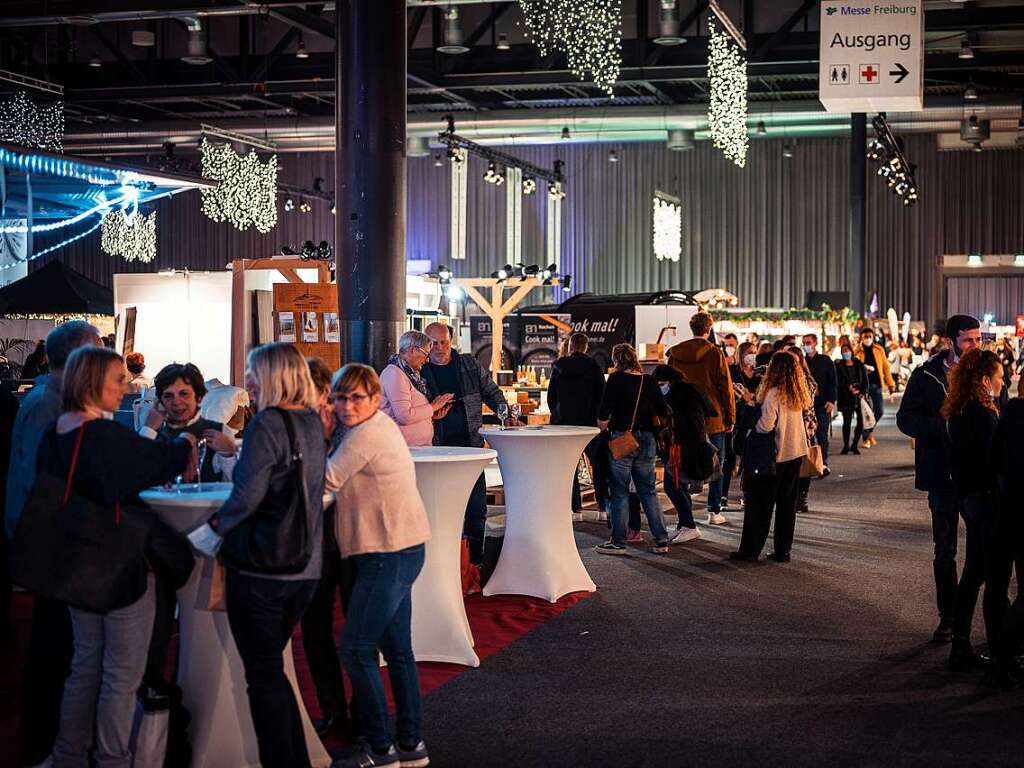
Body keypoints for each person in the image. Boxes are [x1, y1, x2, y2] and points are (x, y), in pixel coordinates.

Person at [41, 346, 195, 768]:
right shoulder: (104, 437)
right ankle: (112, 759)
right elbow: (156, 464)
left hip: (75, 566)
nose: (126, 387)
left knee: (85, 666)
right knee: (121, 676)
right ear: (94, 383)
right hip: (121, 568)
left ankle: (68, 756)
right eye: (118, 380)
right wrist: (185, 441)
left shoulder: (57, 433)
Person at [186, 343, 327, 768]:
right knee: (272, 673)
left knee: (262, 679)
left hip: (264, 566)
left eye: (253, 372)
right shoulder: (310, 421)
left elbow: (247, 495)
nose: (247, 380)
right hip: (303, 565)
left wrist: (210, 533)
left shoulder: (268, 423)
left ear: (274, 376)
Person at [324, 363, 432, 768]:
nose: (348, 405)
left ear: (374, 400)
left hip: (387, 555)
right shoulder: (373, 428)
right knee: (398, 653)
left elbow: (325, 484)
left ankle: (380, 748)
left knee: (355, 650)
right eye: (341, 397)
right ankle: (410, 745)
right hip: (401, 549)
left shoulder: (365, 434)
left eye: (357, 398)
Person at [6, 320, 101, 767]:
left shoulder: (46, 399)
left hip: (44, 542)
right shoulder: (49, 406)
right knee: (53, 652)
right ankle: (44, 745)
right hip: (48, 546)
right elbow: (38, 484)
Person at [896, 314, 982, 643]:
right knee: (945, 550)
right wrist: (943, 427)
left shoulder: (987, 371)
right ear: (950, 342)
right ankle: (948, 617)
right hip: (942, 475)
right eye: (968, 340)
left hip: (978, 475)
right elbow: (906, 419)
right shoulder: (926, 375)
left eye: (978, 339)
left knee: (985, 550)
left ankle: (988, 618)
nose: (975, 346)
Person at [421, 322, 511, 567]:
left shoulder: (469, 365)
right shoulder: (419, 370)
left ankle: (475, 562)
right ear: (425, 343)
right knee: (442, 507)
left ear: (451, 341)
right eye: (433, 343)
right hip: (434, 447)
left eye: (443, 342)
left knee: (476, 506)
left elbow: (492, 392)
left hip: (470, 445)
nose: (438, 348)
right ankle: (446, 563)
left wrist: (506, 412)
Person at [301, 357, 358, 738]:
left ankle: (362, 711)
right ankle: (334, 710)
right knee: (314, 630)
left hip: (353, 539)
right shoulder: (301, 426)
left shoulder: (350, 426)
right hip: (316, 543)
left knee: (357, 633)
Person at [942, 348, 1004, 671]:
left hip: (967, 496)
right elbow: (995, 460)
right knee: (995, 577)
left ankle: (961, 643)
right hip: (985, 499)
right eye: (999, 377)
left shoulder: (959, 409)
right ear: (984, 380)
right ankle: (1000, 652)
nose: (1003, 381)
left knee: (973, 572)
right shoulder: (983, 414)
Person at [731, 351, 811, 563]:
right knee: (786, 507)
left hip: (774, 456)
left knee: (760, 506)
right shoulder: (797, 392)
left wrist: (750, 405)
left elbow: (765, 426)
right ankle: (782, 551)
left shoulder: (773, 393)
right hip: (795, 454)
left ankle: (750, 551)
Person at [595, 343, 670, 555]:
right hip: (647, 439)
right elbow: (663, 409)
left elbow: (604, 413)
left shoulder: (616, 379)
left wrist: (604, 425)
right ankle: (661, 540)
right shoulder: (649, 380)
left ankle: (618, 541)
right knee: (648, 491)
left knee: (619, 491)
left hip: (623, 438)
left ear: (617, 359)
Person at [667, 311, 735, 525]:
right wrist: (730, 416)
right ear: (709, 328)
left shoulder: (675, 354)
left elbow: (669, 386)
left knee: (683, 463)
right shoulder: (715, 354)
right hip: (712, 418)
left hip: (684, 418)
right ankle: (713, 511)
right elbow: (725, 387)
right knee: (717, 463)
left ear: (692, 328)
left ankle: (685, 515)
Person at [653, 365, 714, 545]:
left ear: (671, 382)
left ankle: (689, 525)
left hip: (683, 447)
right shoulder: (687, 392)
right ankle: (684, 524)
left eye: (662, 384)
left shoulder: (684, 396)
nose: (660, 387)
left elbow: (693, 423)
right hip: (679, 446)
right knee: (678, 486)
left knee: (673, 486)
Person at [547, 332, 606, 517]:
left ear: (571, 346)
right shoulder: (594, 367)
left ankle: (576, 509)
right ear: (585, 347)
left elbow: (551, 396)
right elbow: (602, 396)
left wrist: (557, 415)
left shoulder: (559, 366)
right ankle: (602, 508)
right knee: (598, 465)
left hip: (565, 424)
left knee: (569, 466)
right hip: (590, 424)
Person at [990, 374, 1024, 688]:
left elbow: (997, 460)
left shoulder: (1012, 411)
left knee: (1007, 586)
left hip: (1010, 509)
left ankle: (1003, 660)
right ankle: (1004, 660)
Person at [380, 330, 453, 447]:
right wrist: (433, 406)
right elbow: (404, 416)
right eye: (426, 354)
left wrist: (431, 415)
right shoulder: (394, 374)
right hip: (404, 450)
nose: (427, 359)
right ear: (412, 350)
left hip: (415, 449)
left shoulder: (409, 374)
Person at [795, 334, 837, 512]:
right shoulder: (801, 362)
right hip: (807, 407)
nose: (806, 346)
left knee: (822, 435)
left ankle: (823, 462)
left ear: (816, 344)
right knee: (810, 439)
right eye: (804, 344)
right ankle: (812, 464)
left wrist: (831, 400)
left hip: (822, 404)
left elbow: (833, 382)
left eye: (808, 343)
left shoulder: (825, 360)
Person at [855, 327, 895, 448]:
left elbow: (885, 368)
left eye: (869, 336)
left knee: (879, 411)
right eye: (865, 336)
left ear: (873, 337)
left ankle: (868, 432)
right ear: (861, 338)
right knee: (865, 412)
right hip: (863, 386)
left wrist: (891, 384)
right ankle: (866, 438)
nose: (867, 339)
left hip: (876, 385)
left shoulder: (879, 350)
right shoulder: (857, 351)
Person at [835, 342, 869, 455]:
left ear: (851, 351)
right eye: (843, 351)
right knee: (847, 422)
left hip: (859, 397)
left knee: (860, 421)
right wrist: (847, 388)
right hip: (846, 397)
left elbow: (865, 380)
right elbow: (837, 382)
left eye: (847, 350)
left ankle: (854, 445)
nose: (845, 353)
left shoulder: (859, 364)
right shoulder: (839, 366)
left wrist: (862, 392)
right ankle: (846, 445)